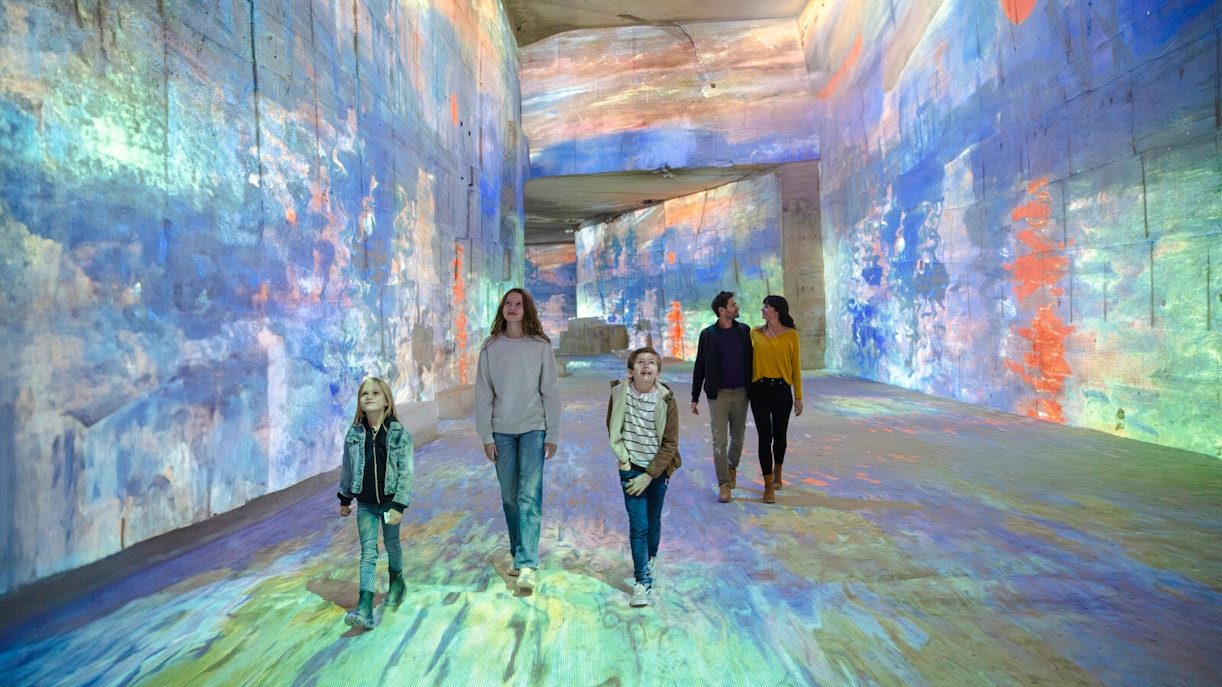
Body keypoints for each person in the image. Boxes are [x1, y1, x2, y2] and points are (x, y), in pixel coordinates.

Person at [476, 288, 561, 593]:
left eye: (519, 304)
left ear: (527, 310)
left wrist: (553, 433)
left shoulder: (540, 347)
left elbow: (551, 392)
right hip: (502, 431)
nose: (512, 307)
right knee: (510, 497)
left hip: (533, 429)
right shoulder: (490, 347)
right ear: (502, 308)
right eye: (508, 303)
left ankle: (527, 563)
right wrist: (486, 435)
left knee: (529, 496)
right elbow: (483, 394)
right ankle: (518, 553)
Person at [338, 377, 415, 630]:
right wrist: (345, 499)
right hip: (366, 505)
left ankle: (397, 581)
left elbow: (406, 474)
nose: (369, 397)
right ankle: (364, 607)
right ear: (360, 402)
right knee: (368, 553)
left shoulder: (399, 436)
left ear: (386, 401)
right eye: (364, 394)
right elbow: (347, 469)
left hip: (390, 504)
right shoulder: (354, 435)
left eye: (375, 393)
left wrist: (399, 506)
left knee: (392, 544)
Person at [607, 346, 681, 608]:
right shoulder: (619, 394)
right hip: (631, 468)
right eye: (640, 362)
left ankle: (650, 556)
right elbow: (612, 427)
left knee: (652, 520)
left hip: (657, 470)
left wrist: (650, 475)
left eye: (652, 362)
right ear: (631, 370)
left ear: (658, 372)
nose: (646, 365)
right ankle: (642, 581)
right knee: (638, 525)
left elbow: (670, 443)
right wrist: (624, 461)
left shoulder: (666, 399)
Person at [690, 291, 753, 503]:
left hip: (742, 393)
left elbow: (752, 360)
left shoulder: (744, 331)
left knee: (738, 438)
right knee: (719, 442)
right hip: (718, 395)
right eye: (733, 305)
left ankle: (732, 467)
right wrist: (695, 396)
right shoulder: (707, 334)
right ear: (722, 310)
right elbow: (700, 365)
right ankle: (724, 484)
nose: (737, 307)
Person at [749, 295, 803, 504]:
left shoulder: (791, 335)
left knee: (780, 435)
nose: (763, 309)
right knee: (764, 437)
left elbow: (796, 367)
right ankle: (768, 485)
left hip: (782, 389)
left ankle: (778, 471)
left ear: (777, 311)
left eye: (767, 307)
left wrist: (798, 397)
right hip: (759, 390)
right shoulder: (755, 333)